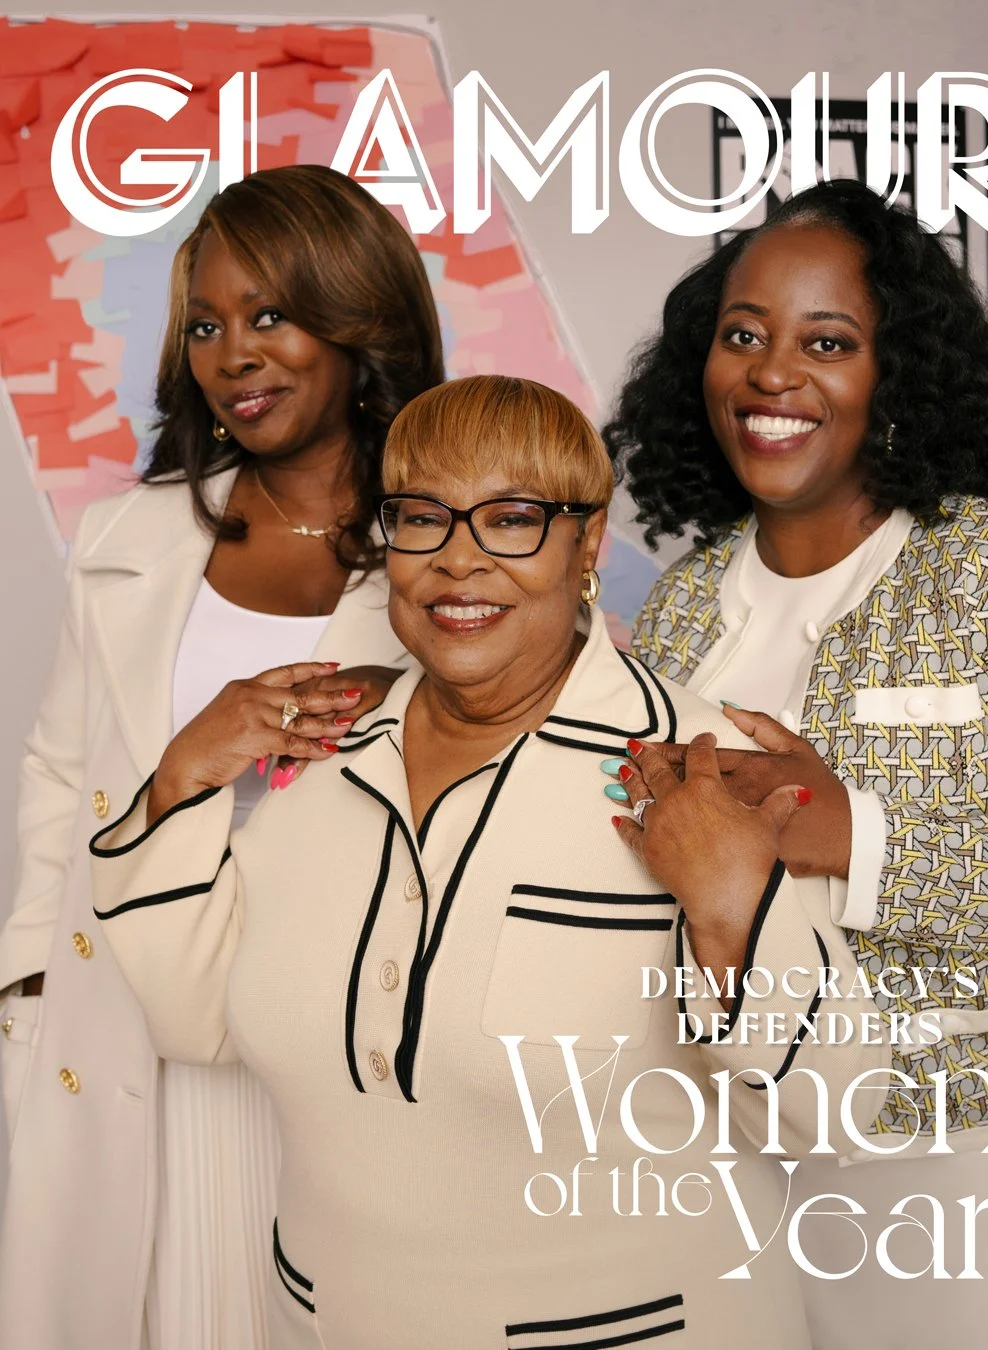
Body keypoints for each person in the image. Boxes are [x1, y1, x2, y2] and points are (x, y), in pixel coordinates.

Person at [89, 375, 891, 1350]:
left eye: (511, 520)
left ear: (586, 544)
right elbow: (194, 1019)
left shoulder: (699, 768)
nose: (458, 560)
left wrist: (735, 903)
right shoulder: (326, 746)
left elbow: (838, 1114)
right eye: (421, 518)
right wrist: (182, 777)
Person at [602, 178, 988, 1344]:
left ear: (896, 375)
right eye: (743, 336)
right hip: (741, 1160)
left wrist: (844, 832)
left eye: (828, 343)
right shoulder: (679, 609)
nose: (773, 374)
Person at [0, 164, 444, 1350]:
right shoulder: (129, 534)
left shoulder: (454, 545)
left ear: (358, 319)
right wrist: (26, 993)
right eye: (205, 325)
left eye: (272, 315)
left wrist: (401, 704)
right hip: (133, 1043)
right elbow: (60, 779)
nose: (233, 354)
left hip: (344, 1047)